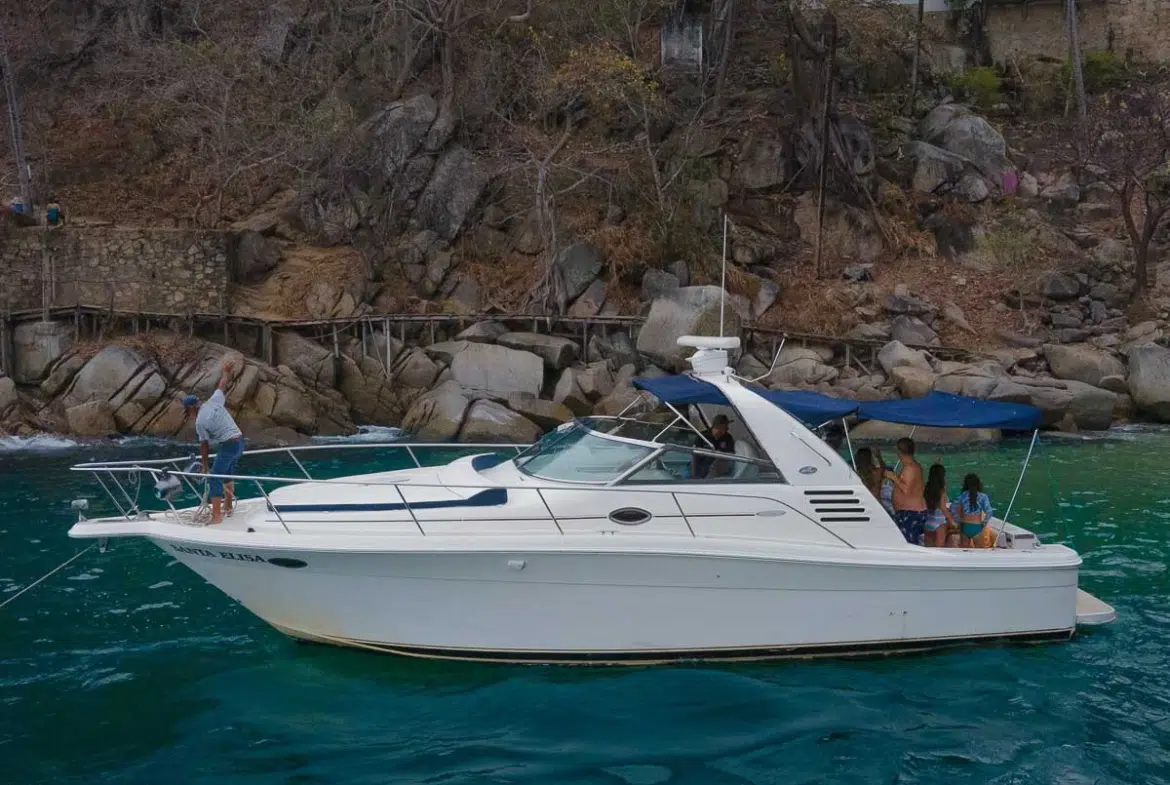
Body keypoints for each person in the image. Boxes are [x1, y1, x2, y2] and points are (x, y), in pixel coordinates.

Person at [182, 359, 244, 525]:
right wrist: (226, 372)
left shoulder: (200, 422)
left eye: (187, 411)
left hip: (229, 445)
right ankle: (228, 507)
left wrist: (204, 466)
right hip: (240, 442)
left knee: (214, 478)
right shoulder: (214, 401)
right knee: (227, 474)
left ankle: (216, 517)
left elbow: (204, 445)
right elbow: (222, 385)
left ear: (191, 408)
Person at [884, 437, 927, 545]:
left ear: (899, 451)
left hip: (910, 513)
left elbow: (906, 490)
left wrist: (893, 477)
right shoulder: (912, 466)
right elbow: (904, 485)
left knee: (909, 544)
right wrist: (894, 478)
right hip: (910, 512)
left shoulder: (910, 468)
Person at [923, 462, 958, 548]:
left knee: (928, 549)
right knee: (939, 549)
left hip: (928, 521)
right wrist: (952, 522)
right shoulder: (941, 490)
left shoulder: (926, 489)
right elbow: (943, 508)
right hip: (939, 522)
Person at [953, 473, 994, 548]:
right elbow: (989, 511)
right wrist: (984, 522)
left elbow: (952, 508)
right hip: (977, 526)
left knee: (963, 552)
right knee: (979, 552)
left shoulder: (962, 496)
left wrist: (958, 520)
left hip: (965, 526)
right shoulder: (983, 496)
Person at [691, 414, 736, 479]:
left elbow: (730, 454)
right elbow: (695, 454)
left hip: (718, 466)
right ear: (718, 426)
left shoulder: (728, 438)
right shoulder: (702, 436)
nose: (727, 429)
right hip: (703, 465)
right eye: (725, 427)